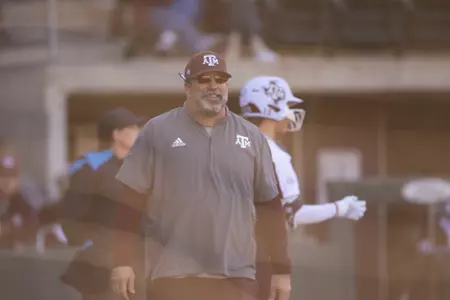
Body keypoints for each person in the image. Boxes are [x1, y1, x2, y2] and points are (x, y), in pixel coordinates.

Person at [110, 51, 290, 300]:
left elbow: (271, 206)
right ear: (187, 87)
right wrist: (122, 261)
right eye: (204, 80)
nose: (213, 87)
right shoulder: (157, 130)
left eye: (220, 80)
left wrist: (281, 270)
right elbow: (130, 201)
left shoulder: (252, 136)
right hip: (172, 276)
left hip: (236, 276)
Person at [238, 76, 367, 300]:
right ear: (271, 106)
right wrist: (340, 208)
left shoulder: (226, 146)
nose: (289, 112)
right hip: (256, 260)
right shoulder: (274, 155)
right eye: (286, 105)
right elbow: (292, 214)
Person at [59, 107, 146, 300]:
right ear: (116, 134)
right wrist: (96, 246)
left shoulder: (137, 167)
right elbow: (71, 216)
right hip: (102, 268)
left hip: (137, 261)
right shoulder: (92, 168)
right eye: (132, 128)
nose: (138, 133)